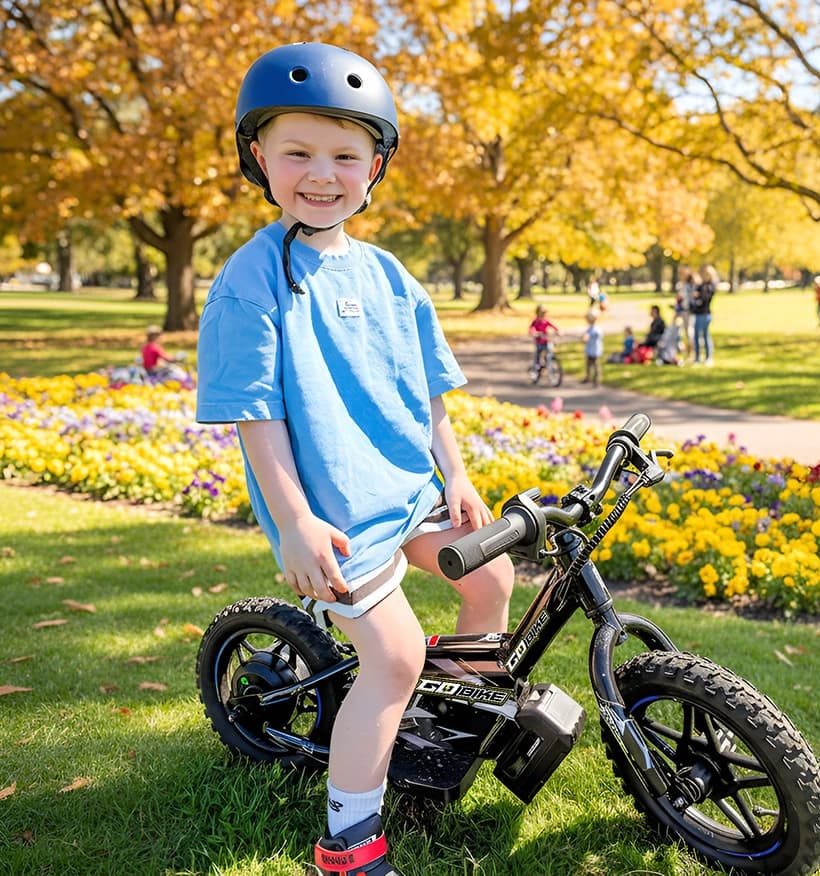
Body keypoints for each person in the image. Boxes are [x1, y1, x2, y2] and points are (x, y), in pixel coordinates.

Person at [195, 43, 514, 876]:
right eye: (298, 152)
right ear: (259, 157)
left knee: (491, 581)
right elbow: (256, 417)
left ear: (376, 164)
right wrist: (296, 521)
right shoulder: (252, 278)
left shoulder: (388, 273)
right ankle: (347, 840)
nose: (322, 174)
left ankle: (424, 730)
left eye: (345, 155)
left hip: (408, 486)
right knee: (395, 654)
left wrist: (457, 472)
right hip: (335, 514)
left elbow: (429, 388)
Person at [691, 264, 717, 365]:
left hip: (705, 314)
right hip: (697, 313)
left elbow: (706, 297)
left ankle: (708, 357)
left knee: (705, 335)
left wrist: (699, 295)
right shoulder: (700, 285)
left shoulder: (710, 286)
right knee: (696, 336)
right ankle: (697, 357)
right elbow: (694, 295)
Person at [528, 303, 559, 375]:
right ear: (537, 312)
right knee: (538, 353)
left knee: (549, 351)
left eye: (544, 313)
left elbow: (553, 325)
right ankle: (536, 366)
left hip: (546, 340)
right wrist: (534, 333)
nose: (542, 314)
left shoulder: (546, 320)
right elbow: (532, 328)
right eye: (541, 312)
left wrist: (558, 330)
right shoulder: (536, 321)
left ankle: (548, 363)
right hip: (539, 341)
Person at [582, 310, 603, 386]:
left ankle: (597, 379)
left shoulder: (596, 328)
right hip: (589, 350)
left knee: (596, 365)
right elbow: (585, 337)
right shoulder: (590, 328)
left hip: (595, 350)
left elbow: (597, 334)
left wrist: (588, 336)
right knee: (588, 365)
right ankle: (588, 377)